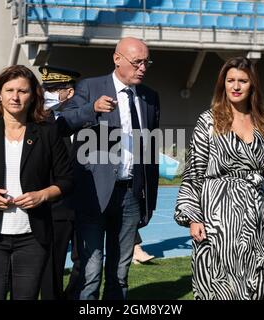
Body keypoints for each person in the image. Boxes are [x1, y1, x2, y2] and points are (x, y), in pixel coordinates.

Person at [174, 57, 264, 300]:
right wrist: (193, 217)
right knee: (216, 287)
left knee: (254, 286)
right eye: (230, 81)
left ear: (252, 86)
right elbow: (194, 172)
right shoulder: (208, 121)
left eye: (242, 81)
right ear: (223, 84)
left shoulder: (263, 124)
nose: (236, 86)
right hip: (218, 220)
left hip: (255, 221)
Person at [0, 65, 73, 300]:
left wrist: (43, 195)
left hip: (32, 237)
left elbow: (66, 179)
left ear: (33, 96)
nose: (15, 97)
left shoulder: (47, 132)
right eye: (9, 90)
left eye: (23, 91)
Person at [62, 37, 160, 300]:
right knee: (91, 272)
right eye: (137, 62)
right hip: (94, 195)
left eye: (146, 62)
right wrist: (90, 109)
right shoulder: (89, 88)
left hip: (130, 195)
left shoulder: (150, 97)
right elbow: (61, 122)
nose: (143, 68)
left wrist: (148, 199)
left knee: (120, 273)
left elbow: (150, 152)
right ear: (117, 59)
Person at [38, 65, 81, 300]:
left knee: (84, 260)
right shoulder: (42, 121)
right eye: (47, 88)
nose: (49, 93)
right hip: (55, 204)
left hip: (83, 202)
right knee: (52, 263)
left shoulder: (79, 118)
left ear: (70, 93)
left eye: (56, 89)